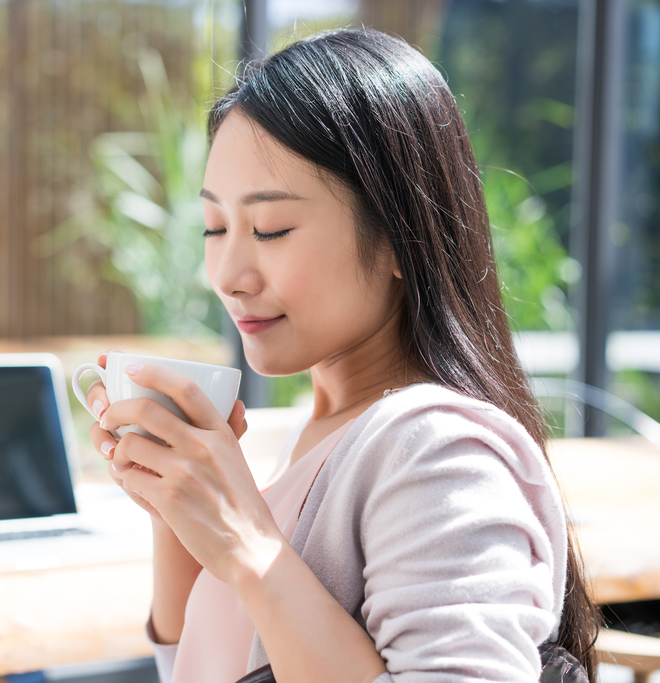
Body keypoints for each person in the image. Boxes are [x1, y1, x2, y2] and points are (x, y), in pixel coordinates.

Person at [81, 27, 599, 683]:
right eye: (215, 227)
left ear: (398, 238)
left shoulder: (436, 452)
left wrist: (246, 543)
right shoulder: (332, 434)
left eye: (271, 228)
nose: (229, 273)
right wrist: (178, 515)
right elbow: (203, 666)